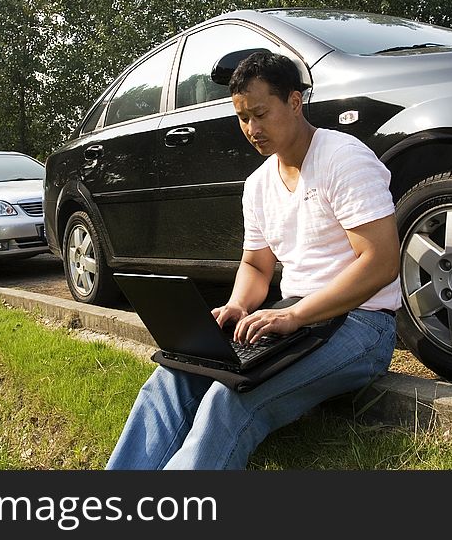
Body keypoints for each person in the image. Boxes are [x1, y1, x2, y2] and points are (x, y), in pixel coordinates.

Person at [105, 51, 401, 470]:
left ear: (295, 102)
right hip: (293, 321)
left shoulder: (343, 158)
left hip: (363, 323)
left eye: (261, 114)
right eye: (243, 118)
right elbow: (257, 267)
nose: (252, 129)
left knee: (232, 397)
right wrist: (238, 305)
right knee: (172, 377)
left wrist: (296, 315)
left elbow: (380, 262)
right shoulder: (259, 184)